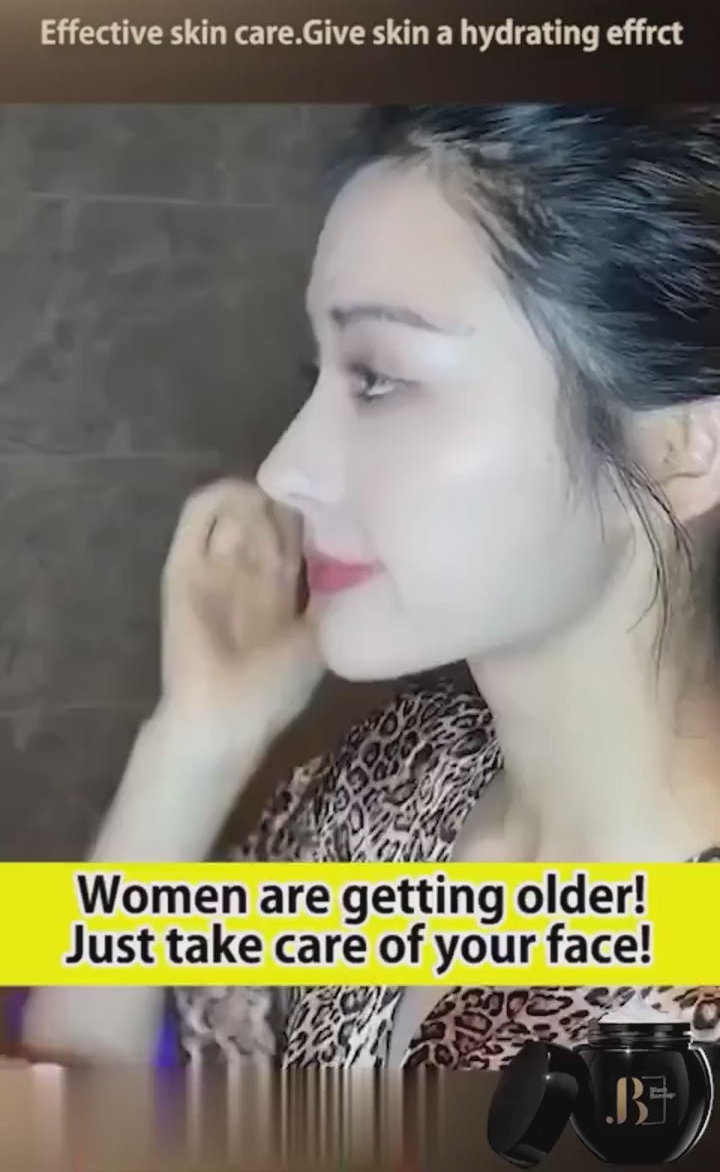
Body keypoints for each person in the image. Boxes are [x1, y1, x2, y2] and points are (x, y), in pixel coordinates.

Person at [20, 105, 720, 1069]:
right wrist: (196, 743)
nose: (283, 471)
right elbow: (78, 1106)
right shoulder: (406, 776)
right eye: (321, 374)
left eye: (380, 378)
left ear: (685, 448)